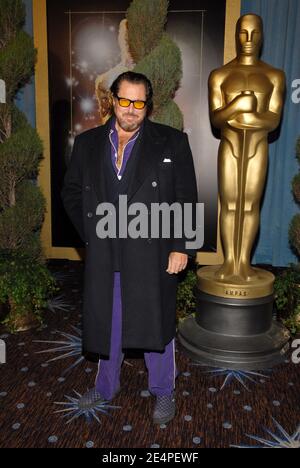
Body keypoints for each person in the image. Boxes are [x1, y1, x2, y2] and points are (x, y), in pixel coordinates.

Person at [61, 71, 197, 424]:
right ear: (113, 101)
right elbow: (71, 192)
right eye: (125, 101)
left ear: (148, 106)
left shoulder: (171, 142)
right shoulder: (88, 143)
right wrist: (91, 231)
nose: (132, 109)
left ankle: (164, 390)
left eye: (139, 103)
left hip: (152, 249)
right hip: (107, 250)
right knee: (109, 317)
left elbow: (186, 197)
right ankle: (106, 387)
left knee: (156, 322)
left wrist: (181, 246)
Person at [208, 14, 285, 281]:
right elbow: (217, 119)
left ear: (262, 35)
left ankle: (244, 263)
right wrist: (237, 105)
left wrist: (248, 118)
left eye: (254, 33)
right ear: (236, 35)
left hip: (257, 147)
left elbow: (273, 120)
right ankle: (229, 262)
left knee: (250, 206)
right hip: (229, 146)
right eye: (243, 33)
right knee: (229, 204)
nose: (249, 39)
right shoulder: (220, 75)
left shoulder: (274, 76)